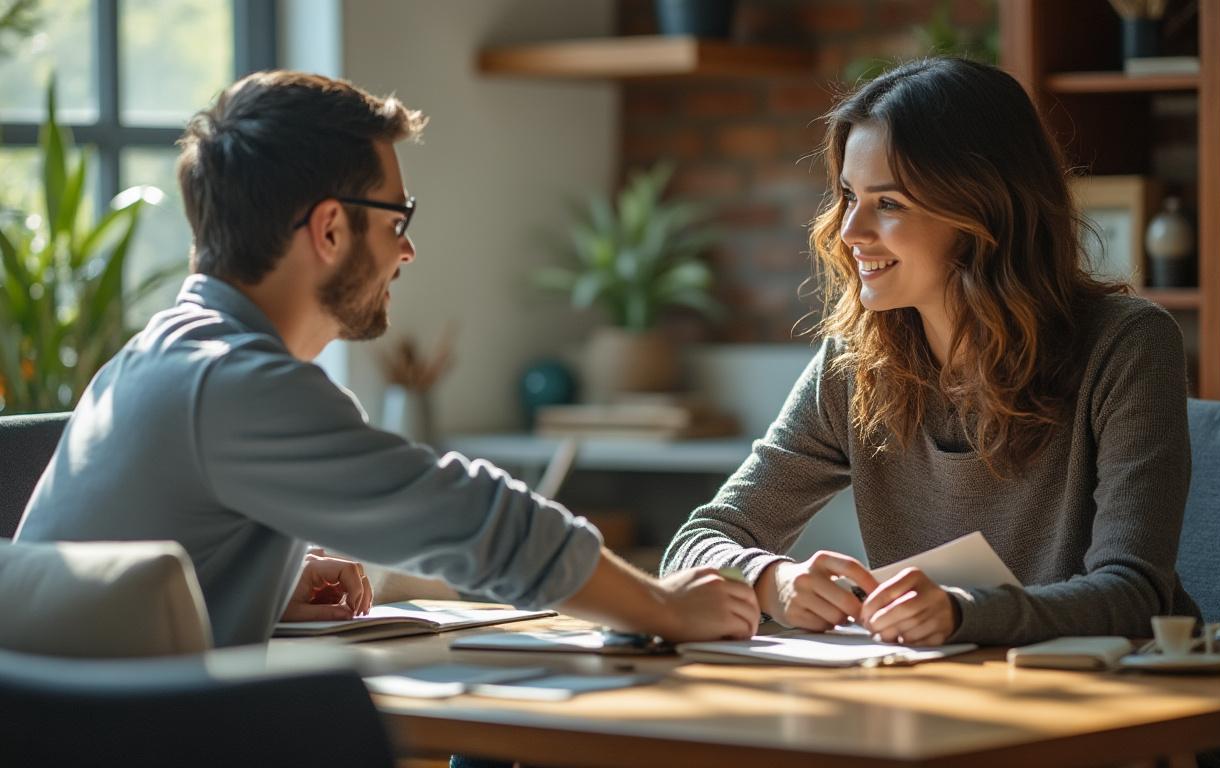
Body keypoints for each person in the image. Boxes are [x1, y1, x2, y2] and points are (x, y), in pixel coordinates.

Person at [15, 70, 758, 649]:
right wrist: (664, 606)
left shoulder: (156, 359)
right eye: (396, 218)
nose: (407, 249)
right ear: (331, 229)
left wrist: (272, 581)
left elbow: (131, 588)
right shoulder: (236, 382)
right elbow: (470, 516)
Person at [661, 58, 1220, 767]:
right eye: (849, 196)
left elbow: (1135, 594)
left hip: (1126, 734)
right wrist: (774, 580)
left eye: (888, 203)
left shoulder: (1129, 344)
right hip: (952, 724)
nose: (850, 229)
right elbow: (698, 541)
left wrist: (958, 613)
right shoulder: (854, 363)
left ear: (982, 213)